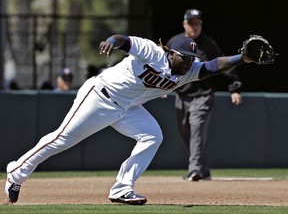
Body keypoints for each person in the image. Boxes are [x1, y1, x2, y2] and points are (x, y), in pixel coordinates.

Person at [5, 33, 254, 205]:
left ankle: (122, 188)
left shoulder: (187, 71)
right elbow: (125, 41)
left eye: (191, 58)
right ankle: (16, 172)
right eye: (184, 57)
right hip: (100, 96)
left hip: (128, 107)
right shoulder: (152, 51)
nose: (188, 62)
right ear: (170, 52)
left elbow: (211, 67)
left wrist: (241, 58)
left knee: (152, 136)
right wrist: (111, 42)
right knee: (62, 139)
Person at [166, 9, 242, 181]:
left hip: (202, 95)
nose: (194, 26)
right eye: (191, 23)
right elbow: (164, 63)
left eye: (197, 23)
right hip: (182, 95)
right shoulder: (175, 42)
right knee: (186, 132)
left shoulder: (208, 44)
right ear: (184, 24)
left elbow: (223, 63)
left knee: (197, 132)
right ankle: (203, 170)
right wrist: (162, 86)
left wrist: (234, 87)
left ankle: (195, 170)